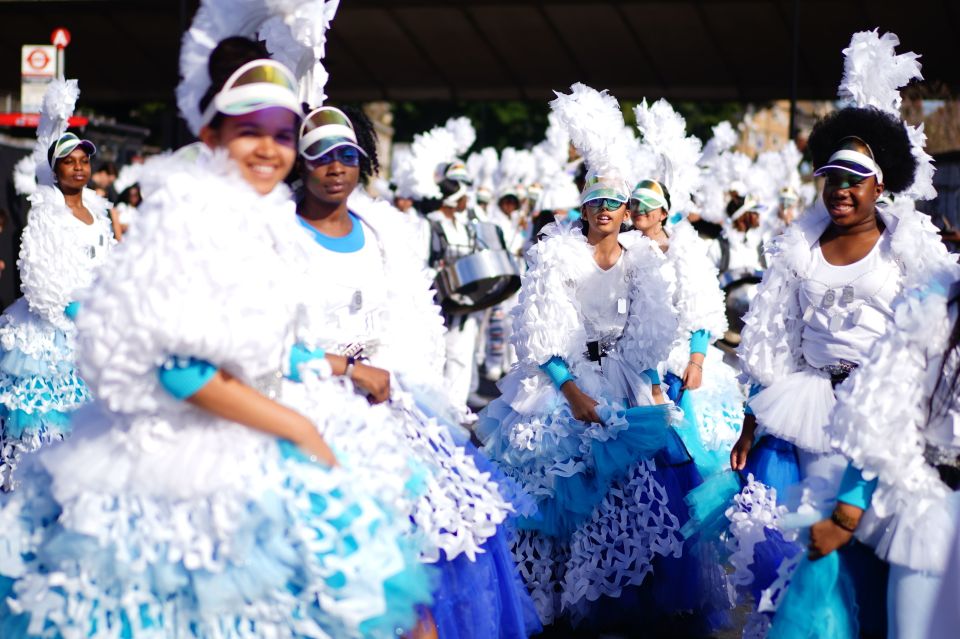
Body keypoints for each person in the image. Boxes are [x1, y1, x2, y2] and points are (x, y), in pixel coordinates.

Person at [0, 38, 434, 638]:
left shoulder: (260, 216)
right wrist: (301, 429)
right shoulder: (192, 219)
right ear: (212, 137)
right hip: (189, 457)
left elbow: (260, 343)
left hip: (261, 419)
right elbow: (181, 371)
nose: (269, 148)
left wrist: (330, 375)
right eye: (250, 130)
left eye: (283, 134)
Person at [292, 104, 542, 639]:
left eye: (346, 155)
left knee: (447, 529)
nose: (334, 167)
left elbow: (405, 320)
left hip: (389, 405)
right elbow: (263, 342)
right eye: (319, 155)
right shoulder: (278, 236)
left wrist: (392, 377)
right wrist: (346, 370)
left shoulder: (380, 233)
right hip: (307, 410)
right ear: (299, 162)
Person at [478, 84, 713, 634]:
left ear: (627, 211)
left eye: (615, 203)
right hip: (564, 386)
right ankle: (558, 604)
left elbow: (652, 332)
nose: (605, 211)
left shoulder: (643, 260)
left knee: (635, 492)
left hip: (625, 381)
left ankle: (617, 600)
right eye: (596, 202)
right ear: (581, 207)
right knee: (560, 491)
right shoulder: (556, 255)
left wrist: (649, 384)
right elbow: (541, 334)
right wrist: (571, 389)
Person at [725, 104, 954, 635]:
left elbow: (938, 332)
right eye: (831, 180)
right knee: (824, 536)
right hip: (812, 410)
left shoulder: (908, 248)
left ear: (879, 188)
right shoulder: (799, 247)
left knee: (879, 533)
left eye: (853, 181)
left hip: (887, 411)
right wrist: (752, 419)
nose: (840, 191)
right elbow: (774, 336)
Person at [0, 82, 116, 491]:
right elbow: (37, 277)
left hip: (95, 328)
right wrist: (71, 313)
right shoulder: (45, 211)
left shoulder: (100, 212)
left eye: (85, 160)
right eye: (69, 161)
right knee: (47, 420)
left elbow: (108, 264)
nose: (79, 167)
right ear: (56, 169)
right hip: (51, 334)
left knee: (90, 419)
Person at [629, 179, 743, 479]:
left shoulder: (684, 249)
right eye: (634, 204)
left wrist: (696, 359)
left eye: (646, 205)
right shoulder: (624, 247)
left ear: (663, 213)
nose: (639, 210)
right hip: (632, 358)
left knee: (687, 451)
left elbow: (701, 305)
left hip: (678, 359)